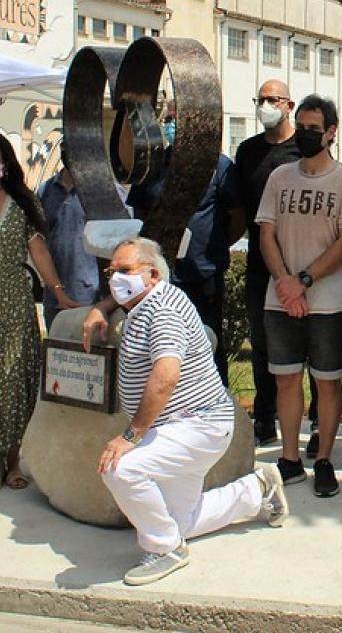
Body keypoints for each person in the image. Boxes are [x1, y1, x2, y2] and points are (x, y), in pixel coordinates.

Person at [82, 237, 287, 586]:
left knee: (120, 468)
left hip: (195, 426)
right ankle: (258, 490)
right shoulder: (144, 300)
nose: (115, 278)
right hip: (179, 426)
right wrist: (101, 307)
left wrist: (131, 436)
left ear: (152, 275)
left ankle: (165, 551)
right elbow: (124, 298)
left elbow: (165, 376)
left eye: (124, 270)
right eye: (111, 271)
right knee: (181, 522)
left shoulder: (162, 311)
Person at [256, 95, 342, 497]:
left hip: (328, 299)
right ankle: (289, 458)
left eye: (313, 129)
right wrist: (285, 282)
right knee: (286, 380)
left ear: (331, 133)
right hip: (280, 297)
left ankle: (323, 459)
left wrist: (302, 280)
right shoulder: (280, 177)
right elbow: (266, 234)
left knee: (327, 383)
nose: (304, 134)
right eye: (300, 126)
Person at [235, 80, 319, 450]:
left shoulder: (303, 150)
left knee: (315, 347)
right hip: (260, 263)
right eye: (261, 99)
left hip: (304, 262)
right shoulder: (247, 151)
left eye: (273, 99)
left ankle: (317, 422)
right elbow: (241, 211)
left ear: (289, 105)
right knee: (264, 345)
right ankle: (265, 420)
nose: (266, 105)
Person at [127, 148, 245, 385]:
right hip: (157, 276)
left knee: (207, 341)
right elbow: (140, 213)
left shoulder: (220, 167)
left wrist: (214, 246)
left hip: (202, 273)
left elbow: (237, 217)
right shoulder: (153, 163)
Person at [0, 134, 78, 489]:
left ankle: (13, 462)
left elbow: (40, 252)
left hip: (13, 301)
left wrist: (59, 293)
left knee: (15, 378)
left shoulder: (21, 202)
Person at [38, 141, 102, 329]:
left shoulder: (102, 191)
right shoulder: (45, 191)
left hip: (92, 297)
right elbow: (38, 241)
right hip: (54, 298)